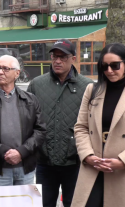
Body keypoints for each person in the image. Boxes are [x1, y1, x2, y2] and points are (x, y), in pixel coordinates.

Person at [27, 39, 93, 207]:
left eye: (63, 57)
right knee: (43, 203)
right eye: (54, 56)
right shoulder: (36, 85)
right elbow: (28, 121)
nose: (57, 61)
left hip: (75, 163)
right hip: (44, 162)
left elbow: (92, 125)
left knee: (75, 203)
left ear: (73, 58)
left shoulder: (88, 87)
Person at [0, 55, 45, 186]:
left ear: (17, 73)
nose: (0, 72)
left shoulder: (30, 100)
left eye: (5, 69)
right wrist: (2, 151)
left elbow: (40, 131)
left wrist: (21, 152)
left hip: (25, 168)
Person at [71, 43, 125, 207]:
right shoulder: (93, 90)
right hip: (93, 168)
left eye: (115, 65)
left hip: (120, 171)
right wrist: (87, 156)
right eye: (104, 66)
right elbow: (81, 127)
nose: (109, 71)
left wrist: (122, 161)